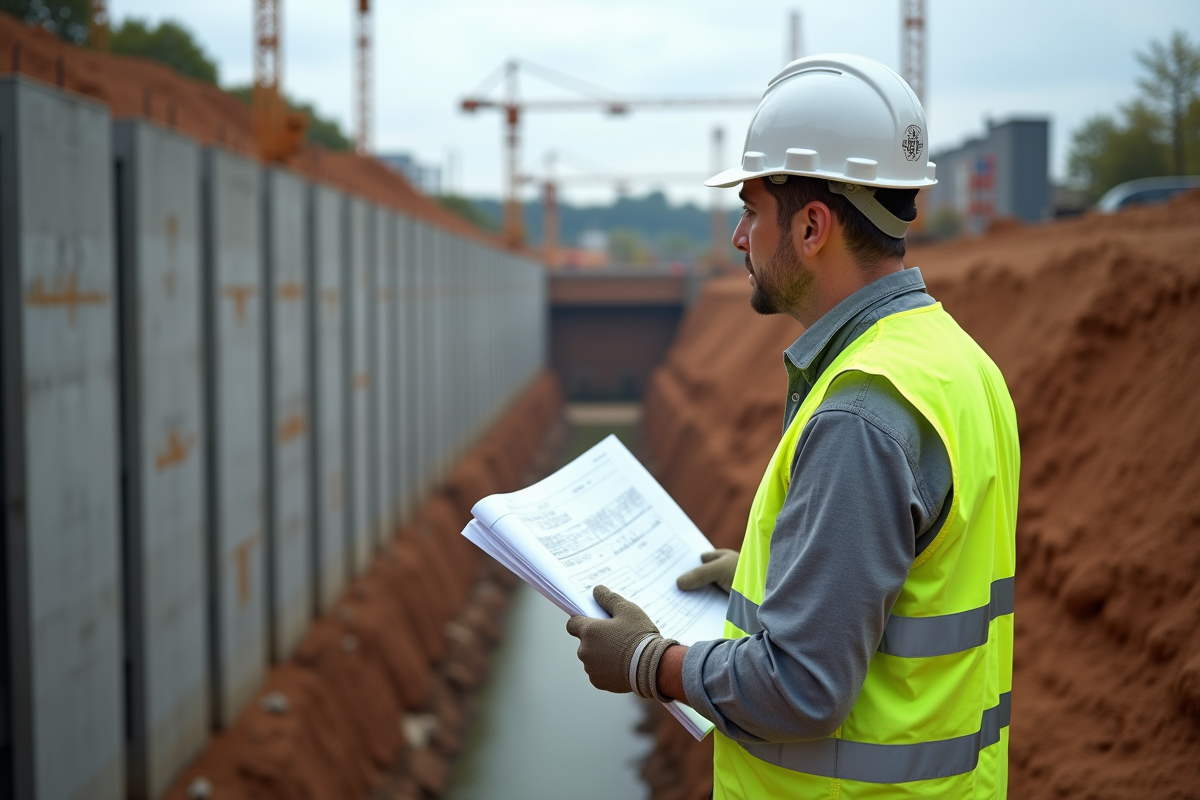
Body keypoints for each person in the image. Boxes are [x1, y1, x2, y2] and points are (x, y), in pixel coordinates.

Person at [566, 53, 1019, 799]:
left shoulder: (859, 412)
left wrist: (648, 660)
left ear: (812, 227)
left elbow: (804, 688)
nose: (740, 238)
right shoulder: (957, 364)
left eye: (750, 210)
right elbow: (919, 579)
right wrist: (778, 573)